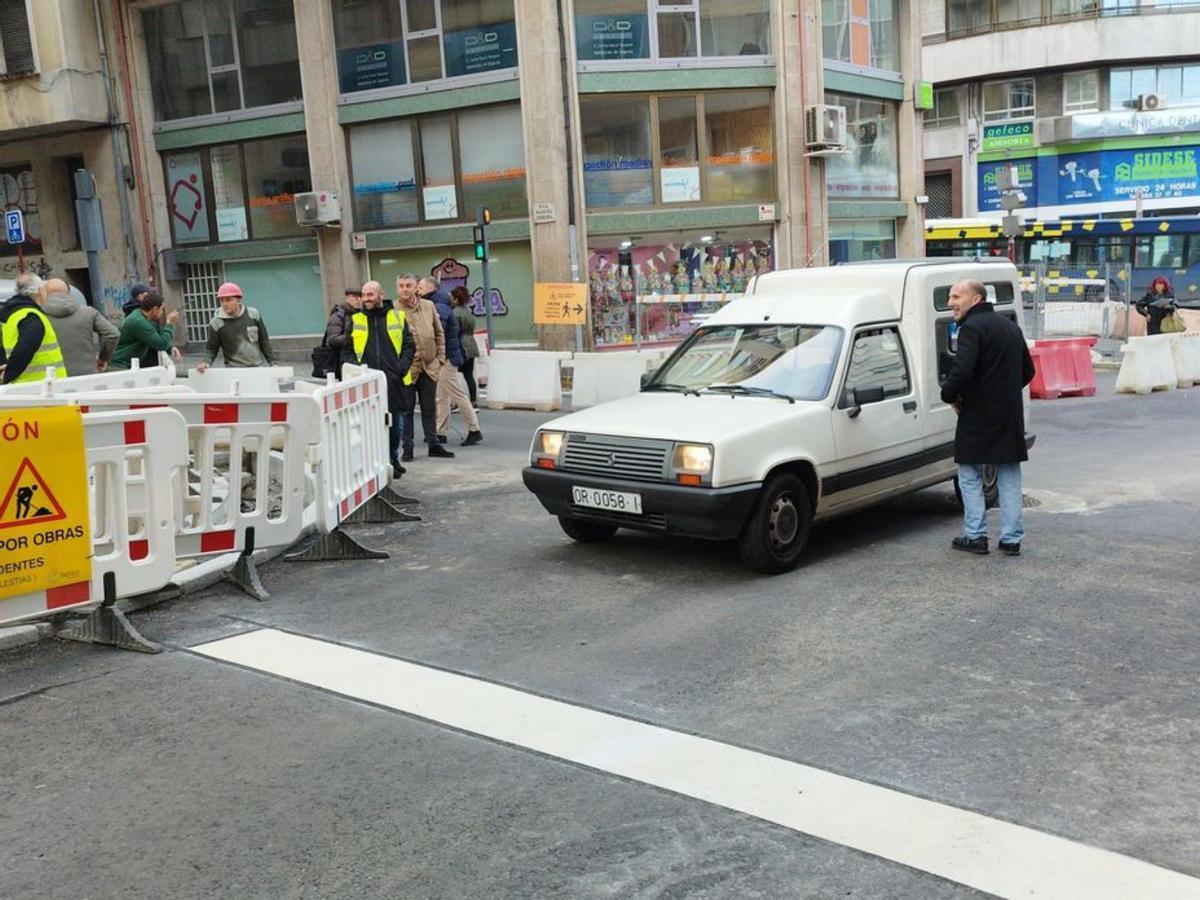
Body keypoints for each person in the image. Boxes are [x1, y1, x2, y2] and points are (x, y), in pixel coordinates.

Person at [941, 279, 1036, 557]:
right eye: (950, 296)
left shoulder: (971, 328)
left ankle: (976, 535)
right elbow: (1028, 371)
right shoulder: (1010, 326)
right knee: (1008, 474)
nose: (950, 302)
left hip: (977, 415)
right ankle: (1011, 539)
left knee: (969, 474)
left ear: (976, 299)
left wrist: (949, 395)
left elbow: (962, 372)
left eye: (956, 296)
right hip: (1008, 415)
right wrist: (1002, 392)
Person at [349, 280, 416, 479]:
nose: (366, 299)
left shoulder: (396, 316)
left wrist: (401, 367)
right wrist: (355, 370)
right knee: (370, 427)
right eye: (364, 295)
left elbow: (408, 345)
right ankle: (378, 463)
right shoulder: (356, 319)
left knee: (395, 425)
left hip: (392, 381)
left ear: (380, 295)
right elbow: (348, 348)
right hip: (366, 382)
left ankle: (392, 459)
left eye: (370, 295)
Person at [395, 272, 455, 460]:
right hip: (406, 368)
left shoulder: (429, 306)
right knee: (407, 410)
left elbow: (439, 333)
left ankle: (434, 444)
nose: (405, 289)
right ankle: (408, 448)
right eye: (401, 285)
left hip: (429, 365)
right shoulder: (394, 310)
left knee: (430, 408)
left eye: (409, 285)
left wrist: (440, 359)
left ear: (416, 287)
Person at [419, 276, 482, 447]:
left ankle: (474, 429)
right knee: (441, 396)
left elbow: (436, 333)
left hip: (447, 358)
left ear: (430, 289)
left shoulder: (439, 307)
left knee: (457, 395)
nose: (418, 291)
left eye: (420, 287)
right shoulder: (442, 305)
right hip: (447, 356)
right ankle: (441, 432)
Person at [42, 277, 119, 376]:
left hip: (54, 376)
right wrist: (103, 359)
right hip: (88, 374)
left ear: (44, 293)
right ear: (69, 292)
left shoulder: (38, 316)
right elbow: (113, 334)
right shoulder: (88, 312)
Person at [0, 273, 67, 384]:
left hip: (27, 387)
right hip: (43, 388)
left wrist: (9, 368)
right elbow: (23, 351)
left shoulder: (13, 315)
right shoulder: (32, 316)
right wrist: (7, 375)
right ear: (40, 291)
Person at [196, 282, 275, 372]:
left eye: (228, 300)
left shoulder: (253, 314)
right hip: (233, 370)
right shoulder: (216, 322)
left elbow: (264, 340)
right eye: (222, 300)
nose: (224, 304)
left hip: (257, 368)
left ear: (238, 300)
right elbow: (211, 348)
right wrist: (206, 362)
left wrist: (273, 362)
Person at [109, 291, 179, 370]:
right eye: (161, 309)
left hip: (125, 363)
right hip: (119, 364)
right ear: (155, 309)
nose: (162, 313)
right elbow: (161, 344)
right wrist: (170, 323)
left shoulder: (140, 316)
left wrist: (170, 348)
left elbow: (153, 338)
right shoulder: (139, 322)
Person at [323, 286, 363, 378]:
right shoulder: (338, 315)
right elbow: (333, 339)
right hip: (344, 361)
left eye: (360, 297)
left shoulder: (361, 313)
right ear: (347, 297)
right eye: (355, 297)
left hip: (359, 359)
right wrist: (352, 338)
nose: (358, 300)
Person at [450, 285, 480, 406]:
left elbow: (454, 331)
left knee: (452, 376)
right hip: (471, 344)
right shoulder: (467, 311)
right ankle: (473, 401)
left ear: (456, 299)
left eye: (451, 297)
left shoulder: (454, 313)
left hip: (461, 346)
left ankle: (457, 402)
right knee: (469, 375)